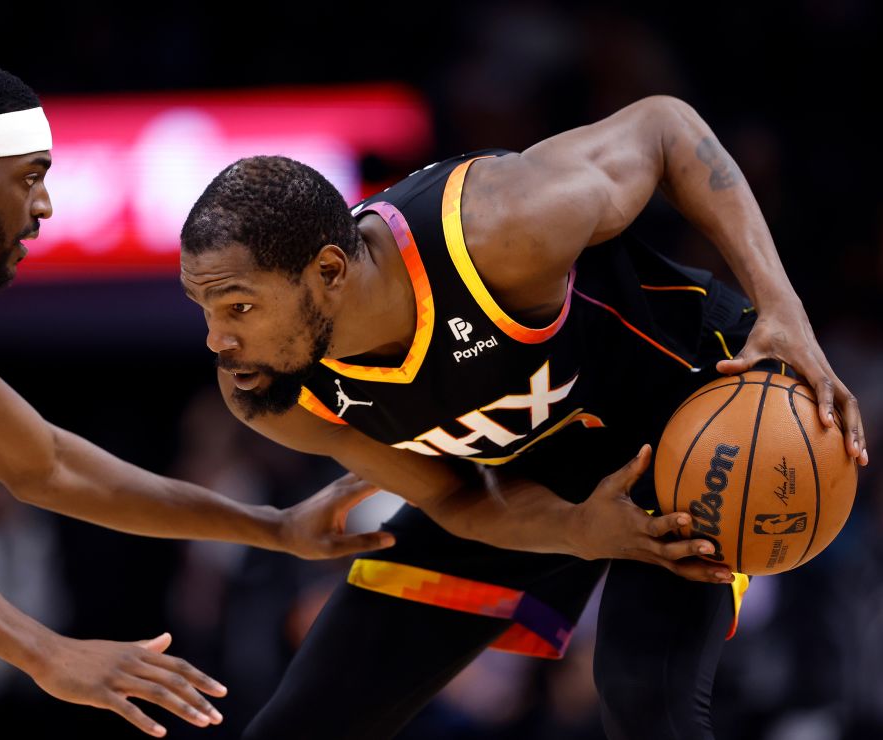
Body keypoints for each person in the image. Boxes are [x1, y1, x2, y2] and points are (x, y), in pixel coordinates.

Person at [178, 95, 868, 740]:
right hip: (523, 469)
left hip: (688, 411)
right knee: (309, 716)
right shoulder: (267, 388)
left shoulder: (500, 228)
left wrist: (782, 306)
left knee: (643, 695)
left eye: (238, 307)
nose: (216, 340)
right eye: (202, 307)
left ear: (329, 272)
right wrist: (573, 529)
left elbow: (664, 128)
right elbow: (452, 495)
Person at [0, 55, 394, 740]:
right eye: (30, 177)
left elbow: (44, 465)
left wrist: (268, 527)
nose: (44, 206)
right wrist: (45, 652)